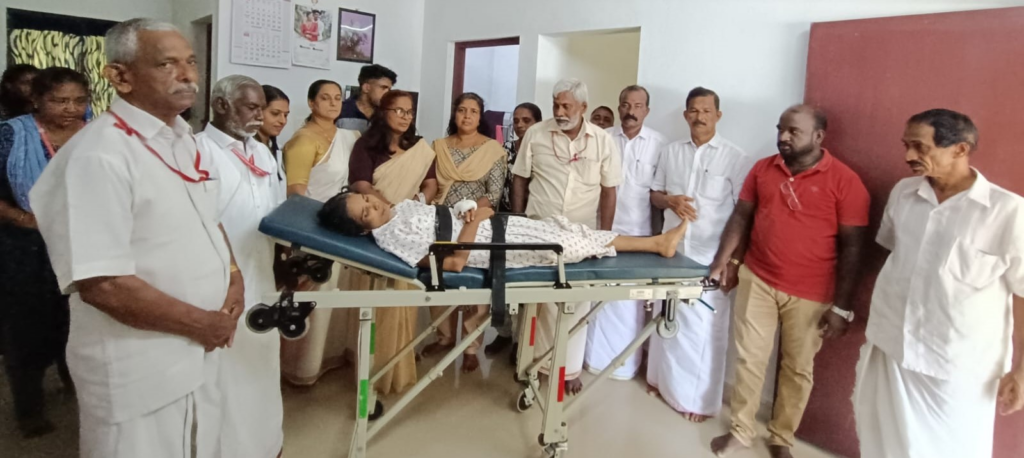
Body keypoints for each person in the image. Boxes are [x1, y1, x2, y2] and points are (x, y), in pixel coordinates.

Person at [29, 18, 242, 458]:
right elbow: (103, 284)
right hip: (141, 368)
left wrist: (234, 275)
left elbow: (207, 218)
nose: (187, 75)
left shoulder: (183, 140)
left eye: (191, 62)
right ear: (120, 76)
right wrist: (202, 324)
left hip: (199, 353)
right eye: (167, 64)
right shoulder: (98, 155)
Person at [854, 109, 1024, 458]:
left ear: (960, 149)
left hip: (957, 366)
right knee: (883, 445)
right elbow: (895, 251)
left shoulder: (1008, 212)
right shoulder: (904, 193)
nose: (908, 155)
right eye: (906, 145)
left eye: (920, 147)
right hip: (892, 345)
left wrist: (1023, 371)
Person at [708, 105, 869, 458]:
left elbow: (854, 248)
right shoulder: (763, 169)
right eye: (781, 129)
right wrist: (725, 262)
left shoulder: (845, 181)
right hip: (758, 278)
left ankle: (781, 437)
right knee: (750, 360)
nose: (783, 137)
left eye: (793, 131)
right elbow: (742, 216)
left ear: (818, 136)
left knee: (797, 368)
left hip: (812, 293)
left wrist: (842, 307)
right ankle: (740, 431)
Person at [646, 87, 754, 422]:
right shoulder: (671, 151)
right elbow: (654, 195)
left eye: (706, 111)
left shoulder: (736, 158)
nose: (699, 117)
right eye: (693, 110)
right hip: (671, 253)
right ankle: (660, 383)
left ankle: (698, 402)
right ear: (685, 115)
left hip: (710, 258)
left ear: (718, 115)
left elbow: (744, 215)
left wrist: (733, 262)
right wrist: (670, 201)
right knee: (666, 320)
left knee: (703, 331)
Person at [512, 78, 622, 395]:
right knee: (536, 302)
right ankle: (528, 363)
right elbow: (520, 179)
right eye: (556, 105)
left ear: (583, 107)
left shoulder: (602, 140)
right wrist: (519, 223)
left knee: (575, 303)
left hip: (581, 233)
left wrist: (603, 237)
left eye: (566, 106)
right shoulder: (536, 133)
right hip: (539, 229)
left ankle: (568, 368)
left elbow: (609, 191)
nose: (559, 112)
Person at [196, 74, 286, 458]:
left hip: (261, 274)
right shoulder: (198, 151)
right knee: (222, 373)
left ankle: (266, 446)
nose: (259, 116)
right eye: (252, 107)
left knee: (261, 364)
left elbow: (277, 212)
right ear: (221, 105)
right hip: (218, 282)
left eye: (262, 108)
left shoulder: (262, 152)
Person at [0, 66, 88, 437]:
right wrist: (22, 218)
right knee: (28, 329)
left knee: (78, 322)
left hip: (84, 243)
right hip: (26, 248)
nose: (71, 108)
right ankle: (29, 409)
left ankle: (76, 382)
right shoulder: (11, 135)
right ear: (36, 100)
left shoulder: (98, 133)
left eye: (79, 100)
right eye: (59, 100)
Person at [319, 190, 687, 269]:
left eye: (366, 199)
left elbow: (444, 216)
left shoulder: (400, 209)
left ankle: (658, 243)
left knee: (571, 230)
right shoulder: (392, 239)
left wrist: (471, 209)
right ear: (361, 231)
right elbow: (454, 264)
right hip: (488, 245)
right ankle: (657, 244)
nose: (374, 205)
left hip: (492, 226)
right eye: (365, 213)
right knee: (567, 244)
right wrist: (476, 222)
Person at [346, 89, 437, 394]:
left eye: (409, 111)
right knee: (375, 300)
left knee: (404, 296)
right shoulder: (366, 146)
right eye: (398, 110)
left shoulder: (419, 148)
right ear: (383, 112)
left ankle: (398, 363)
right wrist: (388, 208)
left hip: (409, 227)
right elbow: (360, 184)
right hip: (377, 226)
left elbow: (431, 183)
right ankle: (371, 367)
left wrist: (416, 203)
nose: (405, 116)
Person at [279, 79, 360, 386]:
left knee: (337, 295)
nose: (333, 103)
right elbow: (296, 194)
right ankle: (301, 367)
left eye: (337, 97)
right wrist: (313, 233)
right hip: (314, 228)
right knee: (312, 297)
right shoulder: (304, 140)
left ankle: (331, 357)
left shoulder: (349, 136)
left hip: (344, 225)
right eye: (325, 98)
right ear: (312, 103)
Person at [585, 85, 666, 381]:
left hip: (639, 235)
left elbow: (658, 196)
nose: (631, 111)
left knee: (630, 303)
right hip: (602, 232)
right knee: (597, 298)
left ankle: (626, 366)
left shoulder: (660, 144)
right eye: (625, 105)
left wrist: (656, 239)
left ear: (647, 110)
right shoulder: (602, 138)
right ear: (619, 107)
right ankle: (591, 360)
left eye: (637, 106)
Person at [420, 92, 506, 373]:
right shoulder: (438, 146)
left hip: (475, 220)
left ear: (480, 117)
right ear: (454, 114)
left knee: (473, 281)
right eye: (461, 110)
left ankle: (471, 346)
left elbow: (493, 193)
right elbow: (430, 183)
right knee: (440, 276)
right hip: (441, 218)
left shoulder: (493, 150)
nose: (467, 116)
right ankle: (444, 337)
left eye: (473, 111)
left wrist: (472, 211)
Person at [487, 101, 543, 359]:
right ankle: (504, 333)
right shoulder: (504, 150)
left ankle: (522, 341)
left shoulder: (544, 150)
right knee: (500, 278)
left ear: (538, 123)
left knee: (526, 282)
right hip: (503, 221)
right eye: (517, 121)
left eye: (526, 121)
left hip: (534, 223)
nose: (520, 125)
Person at [336, 64, 397, 133]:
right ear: (366, 88)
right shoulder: (340, 111)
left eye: (389, 89)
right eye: (383, 88)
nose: (387, 93)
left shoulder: (387, 115)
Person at [256, 84, 290, 182]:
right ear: (257, 112)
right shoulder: (245, 149)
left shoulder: (278, 149)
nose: (283, 121)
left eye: (285, 115)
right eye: (275, 113)